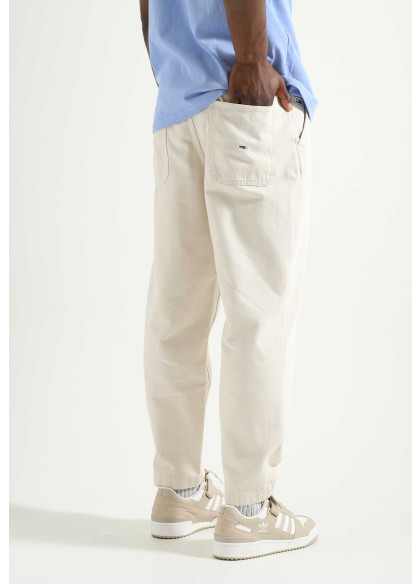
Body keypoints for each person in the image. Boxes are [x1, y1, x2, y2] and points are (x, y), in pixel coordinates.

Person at [140, 0, 318, 560]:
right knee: (259, 314)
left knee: (177, 313)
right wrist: (251, 60)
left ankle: (179, 491)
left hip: (179, 105)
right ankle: (249, 509)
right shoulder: (246, 71)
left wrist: (172, 71)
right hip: (244, 99)